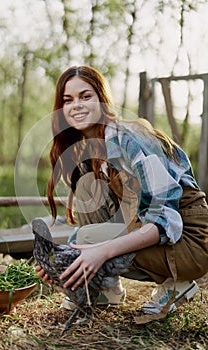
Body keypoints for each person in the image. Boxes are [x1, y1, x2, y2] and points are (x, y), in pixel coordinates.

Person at [36, 65, 208, 319]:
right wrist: (64, 258)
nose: (76, 105)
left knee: (88, 239)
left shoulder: (130, 138)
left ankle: (177, 283)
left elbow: (165, 222)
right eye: (68, 100)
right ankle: (106, 288)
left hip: (190, 242)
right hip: (150, 227)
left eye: (86, 96)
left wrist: (100, 251)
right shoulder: (91, 149)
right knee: (87, 186)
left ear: (102, 100)